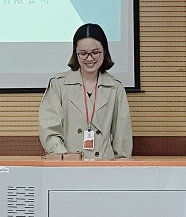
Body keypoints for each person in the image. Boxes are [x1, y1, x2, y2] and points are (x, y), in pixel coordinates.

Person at [39, 23, 133, 159]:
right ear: (76, 54)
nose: (89, 58)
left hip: (105, 165)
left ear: (104, 51)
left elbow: (122, 138)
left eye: (95, 53)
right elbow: (49, 131)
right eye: (83, 54)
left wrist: (120, 166)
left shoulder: (115, 87)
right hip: (68, 164)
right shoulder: (58, 84)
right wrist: (66, 159)